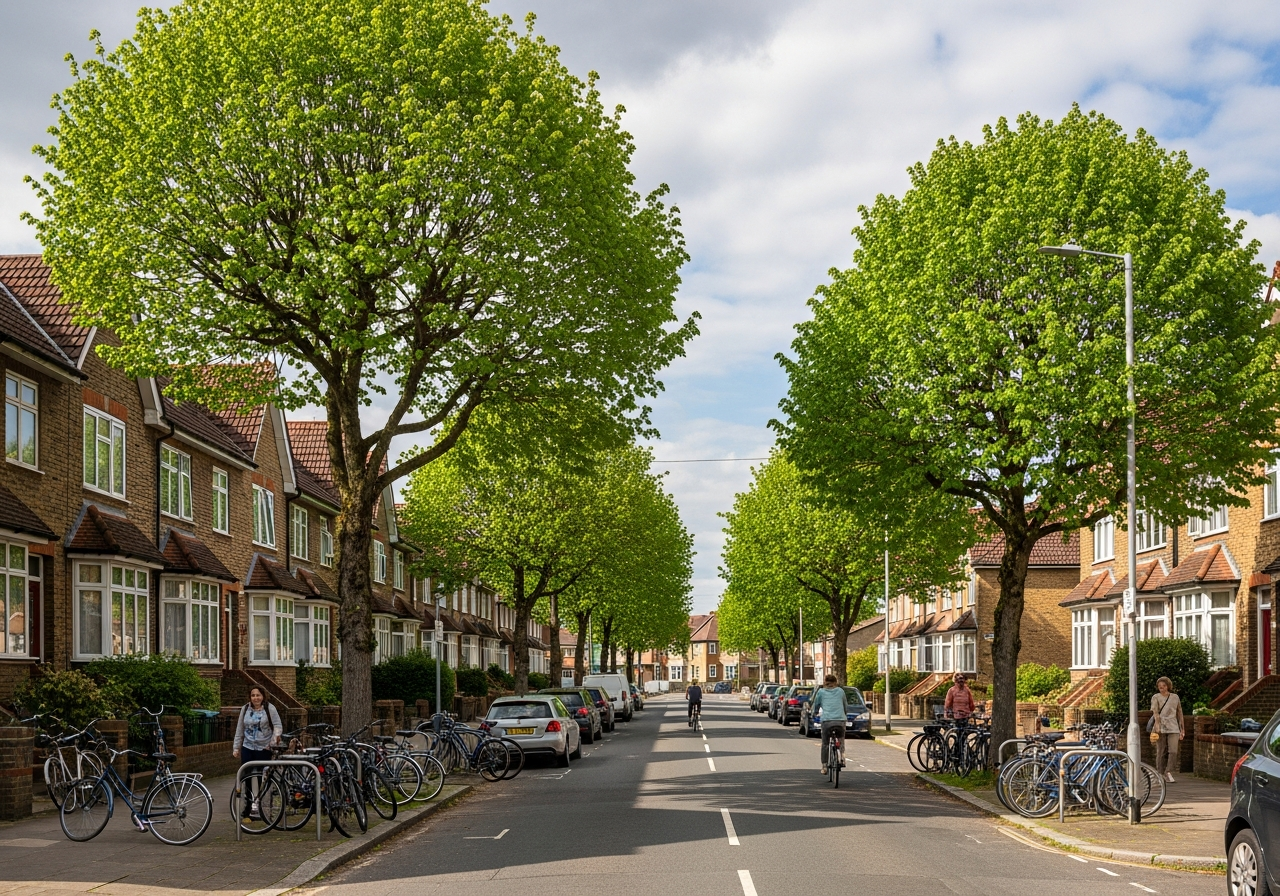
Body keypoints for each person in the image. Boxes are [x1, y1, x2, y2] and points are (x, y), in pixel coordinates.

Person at [233, 685, 282, 818]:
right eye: (253, 695)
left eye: (258, 695)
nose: (255, 698)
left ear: (263, 696)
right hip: (248, 746)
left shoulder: (269, 708)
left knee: (263, 777)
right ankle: (248, 806)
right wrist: (236, 747)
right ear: (250, 697)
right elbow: (240, 729)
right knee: (247, 777)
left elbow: (278, 726)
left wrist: (271, 744)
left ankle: (261, 806)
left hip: (264, 747)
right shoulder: (245, 709)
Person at [810, 674, 849, 773]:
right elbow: (845, 706)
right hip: (840, 721)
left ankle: (824, 766)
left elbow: (816, 705)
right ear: (836, 682)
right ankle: (842, 758)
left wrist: (814, 713)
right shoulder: (841, 691)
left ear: (825, 682)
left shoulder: (821, 692)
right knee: (841, 740)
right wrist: (845, 714)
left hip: (827, 721)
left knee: (825, 744)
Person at [1151, 676, 1185, 783]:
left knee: (1173, 751)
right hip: (1160, 725)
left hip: (1173, 726)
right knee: (1161, 751)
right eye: (1160, 686)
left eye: (1164, 686)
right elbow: (1155, 712)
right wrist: (1157, 726)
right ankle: (1159, 773)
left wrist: (1182, 729)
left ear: (1168, 686)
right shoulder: (1155, 697)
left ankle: (1168, 771)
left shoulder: (1175, 697)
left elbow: (1179, 713)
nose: (1162, 688)